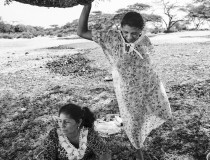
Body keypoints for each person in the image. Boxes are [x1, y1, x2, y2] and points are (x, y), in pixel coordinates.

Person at [77, 2, 172, 160]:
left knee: (151, 115)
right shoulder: (110, 37)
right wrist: (87, 7)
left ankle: (140, 146)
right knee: (134, 122)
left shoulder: (145, 41)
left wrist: (155, 87)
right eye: (125, 32)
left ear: (141, 32)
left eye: (134, 34)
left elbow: (149, 66)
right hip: (127, 91)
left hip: (148, 87)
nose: (129, 37)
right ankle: (139, 152)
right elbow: (81, 31)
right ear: (120, 28)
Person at [36, 103, 111, 160]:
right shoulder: (54, 135)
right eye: (60, 121)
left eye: (67, 122)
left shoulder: (87, 134)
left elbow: (104, 153)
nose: (62, 125)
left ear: (79, 122)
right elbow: (48, 157)